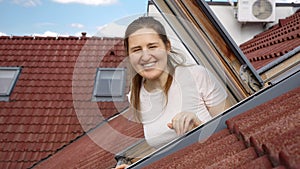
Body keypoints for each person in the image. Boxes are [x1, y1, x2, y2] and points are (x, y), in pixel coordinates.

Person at [115, 16, 228, 169]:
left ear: (167, 46)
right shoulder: (136, 97)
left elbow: (232, 130)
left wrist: (199, 127)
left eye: (152, 46)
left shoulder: (198, 76)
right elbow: (162, 152)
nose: (145, 56)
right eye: (136, 50)